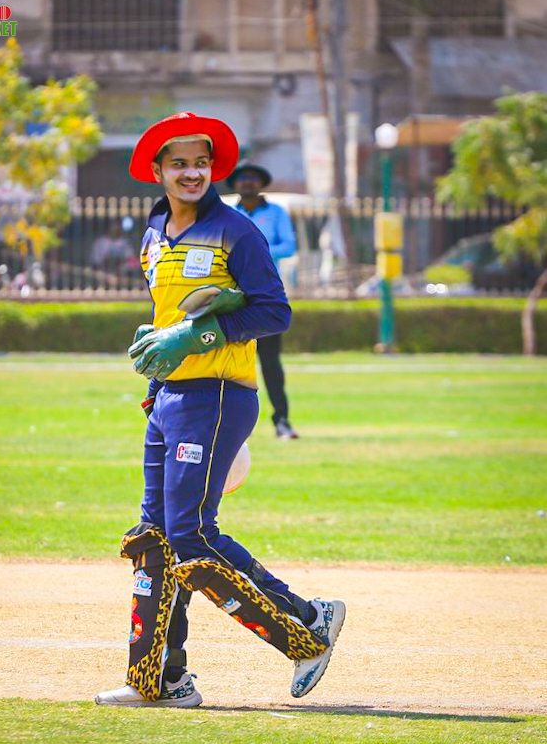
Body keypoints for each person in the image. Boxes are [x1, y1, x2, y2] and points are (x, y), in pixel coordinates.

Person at [95, 112, 345, 709]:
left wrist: (196, 337)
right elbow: (172, 310)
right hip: (169, 398)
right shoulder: (154, 229)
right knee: (155, 537)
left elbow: (274, 312)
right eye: (179, 163)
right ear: (157, 170)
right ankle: (159, 680)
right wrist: (161, 346)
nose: (192, 173)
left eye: (201, 163)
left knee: (191, 533)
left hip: (218, 395)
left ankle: (307, 627)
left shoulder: (237, 230)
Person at [227, 161, 299, 439]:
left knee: (270, 363)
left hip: (265, 295)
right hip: (233, 297)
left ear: (260, 183)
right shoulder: (227, 213)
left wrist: (254, 252)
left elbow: (289, 246)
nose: (247, 182)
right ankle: (229, 424)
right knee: (228, 363)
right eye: (243, 177)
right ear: (235, 183)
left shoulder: (276, 212)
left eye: (253, 178)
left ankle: (282, 420)